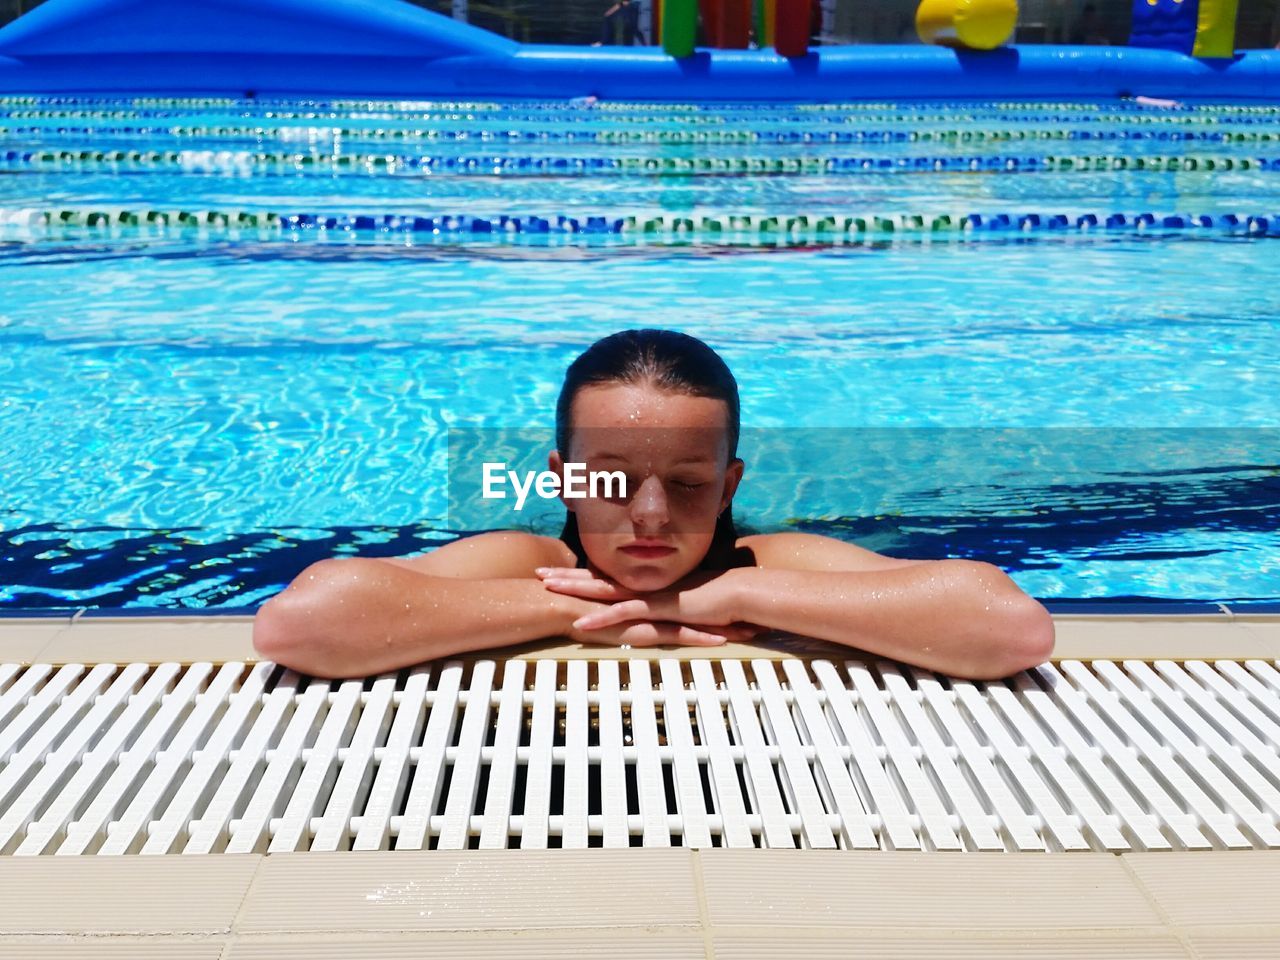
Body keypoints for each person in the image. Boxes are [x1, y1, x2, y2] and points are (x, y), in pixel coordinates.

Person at [253, 329, 1054, 681]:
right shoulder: (531, 564)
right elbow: (302, 622)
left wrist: (734, 593)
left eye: (688, 482)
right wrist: (581, 612)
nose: (650, 515)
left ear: (731, 486)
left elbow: (1009, 626)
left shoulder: (764, 564)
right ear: (564, 480)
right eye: (610, 478)